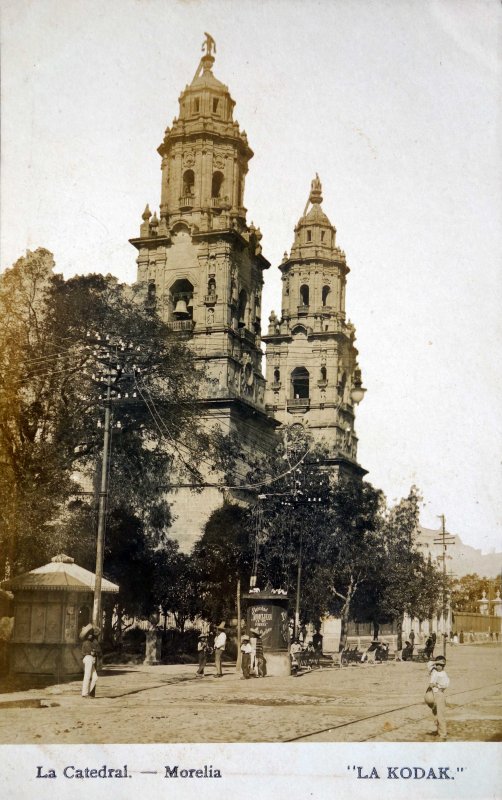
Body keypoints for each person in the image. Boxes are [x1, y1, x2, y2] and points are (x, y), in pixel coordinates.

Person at [424, 654, 450, 740]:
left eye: (441, 665)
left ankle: (443, 734)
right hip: (432, 693)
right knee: (435, 713)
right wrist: (436, 661)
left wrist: (436, 685)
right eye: (437, 665)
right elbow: (429, 663)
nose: (438, 667)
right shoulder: (434, 671)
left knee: (440, 715)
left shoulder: (444, 674)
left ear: (444, 666)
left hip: (439, 694)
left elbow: (446, 685)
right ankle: (438, 729)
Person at [80, 624, 101, 699]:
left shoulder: (91, 641)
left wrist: (94, 651)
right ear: (85, 636)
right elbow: (91, 652)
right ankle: (85, 693)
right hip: (88, 658)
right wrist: (93, 651)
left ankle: (88, 693)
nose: (90, 635)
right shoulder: (86, 643)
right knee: (87, 676)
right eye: (88, 634)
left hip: (90, 659)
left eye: (90, 633)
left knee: (95, 677)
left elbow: (96, 650)